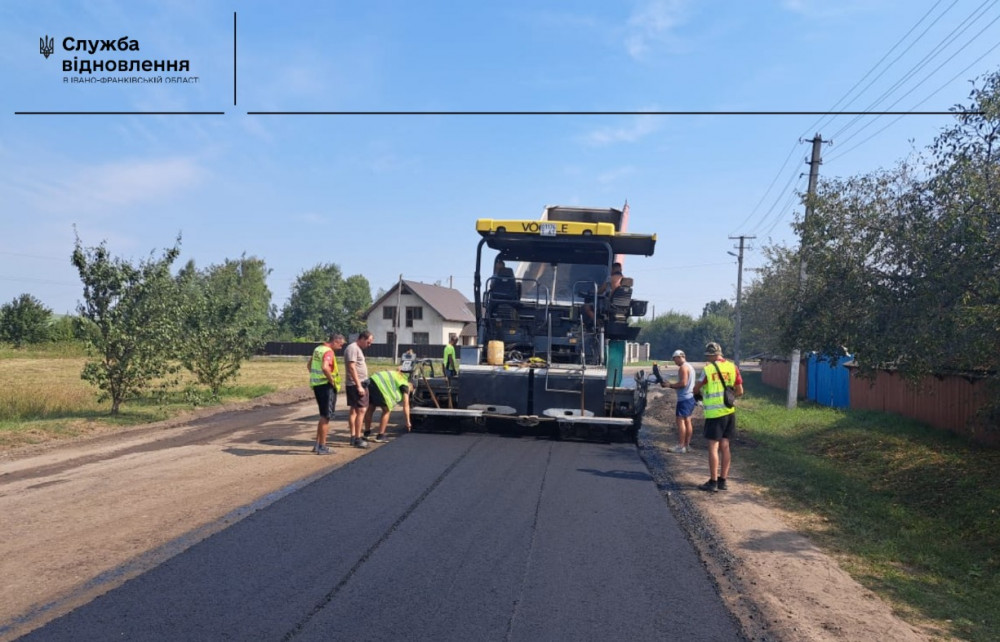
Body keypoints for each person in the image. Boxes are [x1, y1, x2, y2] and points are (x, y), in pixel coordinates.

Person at [693, 341, 744, 492]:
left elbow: (697, 388)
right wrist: (729, 396)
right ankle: (723, 481)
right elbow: (740, 391)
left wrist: (698, 396)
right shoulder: (732, 367)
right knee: (725, 446)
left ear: (710, 355)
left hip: (714, 414)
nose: (707, 359)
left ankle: (713, 482)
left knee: (713, 446)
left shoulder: (708, 370)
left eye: (707, 356)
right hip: (729, 411)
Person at [307, 333, 345, 454]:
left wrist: (315, 376)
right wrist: (332, 381)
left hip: (317, 385)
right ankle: (322, 446)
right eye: (340, 344)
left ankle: (317, 445)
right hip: (326, 386)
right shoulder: (328, 351)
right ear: (335, 341)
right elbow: (324, 367)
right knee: (326, 417)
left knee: (323, 415)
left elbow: (309, 365)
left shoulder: (318, 349)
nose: (341, 347)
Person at [659, 349, 695, 453]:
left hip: (684, 398)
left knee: (681, 421)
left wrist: (669, 385)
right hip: (690, 397)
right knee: (688, 421)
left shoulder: (683, 368)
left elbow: (683, 383)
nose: (675, 362)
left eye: (675, 359)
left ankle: (681, 446)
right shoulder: (690, 367)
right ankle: (687, 445)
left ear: (679, 357)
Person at [363, 368, 413, 442]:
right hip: (380, 386)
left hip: (372, 381)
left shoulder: (398, 374)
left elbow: (397, 369)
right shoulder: (405, 385)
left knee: (370, 408)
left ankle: (366, 433)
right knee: (386, 410)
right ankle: (380, 436)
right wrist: (408, 422)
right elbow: (406, 405)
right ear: (411, 386)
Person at [345, 330, 374, 448]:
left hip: (358, 384)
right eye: (368, 342)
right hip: (357, 385)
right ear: (362, 338)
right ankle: (357, 438)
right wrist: (359, 386)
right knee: (361, 410)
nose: (369, 345)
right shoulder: (353, 348)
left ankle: (353, 436)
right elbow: (351, 367)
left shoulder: (356, 349)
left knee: (354, 410)